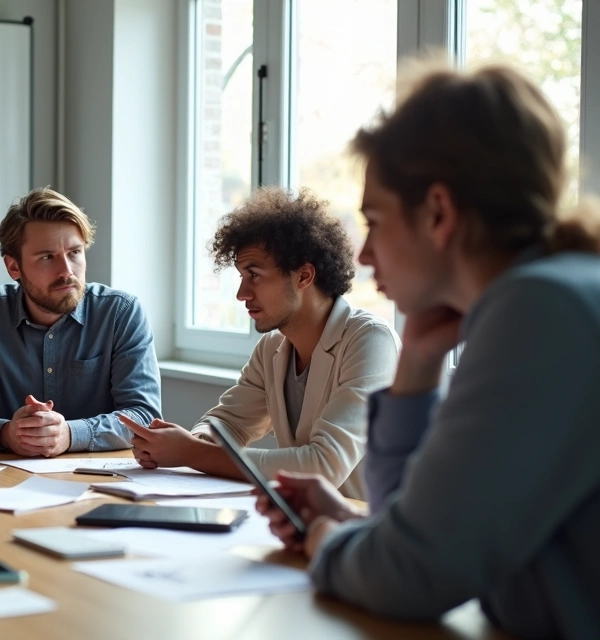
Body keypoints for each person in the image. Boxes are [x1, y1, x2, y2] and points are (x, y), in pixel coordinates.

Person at [254, 61, 600, 639]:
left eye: (375, 221)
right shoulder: (546, 295)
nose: (364, 257)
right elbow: (421, 539)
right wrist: (416, 362)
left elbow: (410, 577)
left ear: (438, 213)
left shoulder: (540, 312)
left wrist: (328, 541)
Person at [125, 187, 399, 499]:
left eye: (254, 275)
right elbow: (228, 424)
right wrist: (187, 441)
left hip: (371, 529)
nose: (241, 293)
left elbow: (324, 465)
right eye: (241, 276)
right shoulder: (272, 349)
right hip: (306, 524)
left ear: (304, 276)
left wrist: (191, 453)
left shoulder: (370, 341)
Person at [0, 187, 163, 456]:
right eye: (47, 257)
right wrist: (7, 434)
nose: (66, 271)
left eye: (74, 253)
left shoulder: (121, 312)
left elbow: (143, 416)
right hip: (9, 482)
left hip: (96, 481)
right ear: (14, 267)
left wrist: (70, 434)